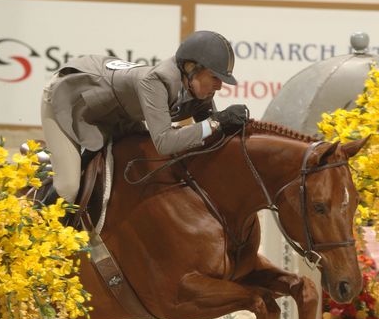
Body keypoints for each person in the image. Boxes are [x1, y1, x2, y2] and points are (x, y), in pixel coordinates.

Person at [41, 30, 249, 203]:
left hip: (115, 111)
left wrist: (227, 124)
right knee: (68, 187)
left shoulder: (198, 88)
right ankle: (40, 229)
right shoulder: (155, 81)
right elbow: (165, 142)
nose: (220, 86)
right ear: (190, 68)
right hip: (69, 99)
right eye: (214, 77)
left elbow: (210, 131)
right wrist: (216, 123)